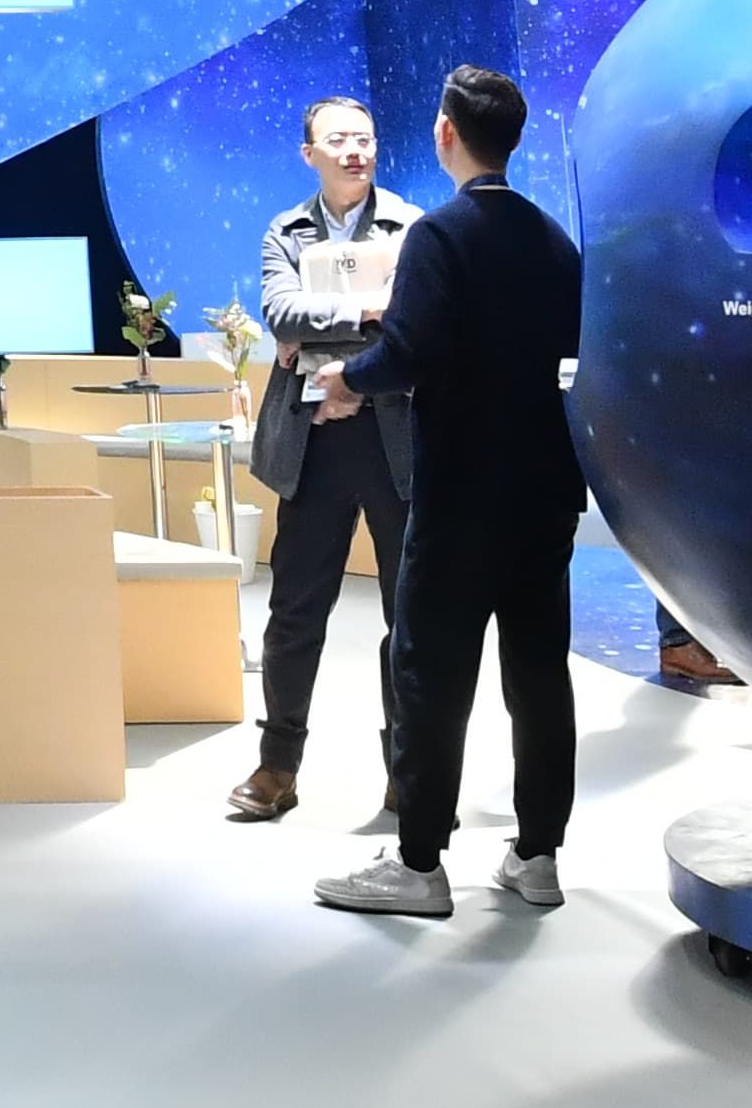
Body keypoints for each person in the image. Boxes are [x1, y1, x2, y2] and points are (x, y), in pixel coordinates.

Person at [312, 66, 587, 921]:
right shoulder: (555, 242)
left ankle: (420, 863)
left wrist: (347, 379)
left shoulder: (438, 235)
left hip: (462, 492)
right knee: (539, 676)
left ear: (445, 134)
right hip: (546, 489)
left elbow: (411, 352)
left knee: (431, 672)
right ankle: (538, 855)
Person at [229, 94, 417, 825]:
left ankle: (410, 770)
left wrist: (328, 346)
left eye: (364, 139)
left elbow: (417, 323)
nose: (354, 151)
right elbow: (281, 313)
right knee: (294, 611)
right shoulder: (286, 230)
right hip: (312, 439)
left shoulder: (412, 226)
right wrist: (369, 310)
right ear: (309, 153)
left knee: (410, 615)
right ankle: (277, 766)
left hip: (396, 439)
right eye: (338, 140)